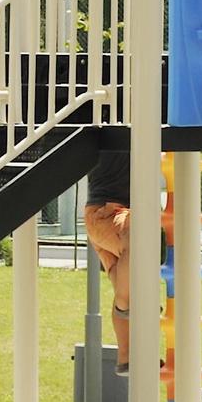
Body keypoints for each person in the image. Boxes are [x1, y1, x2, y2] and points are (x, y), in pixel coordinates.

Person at [82, 139, 132, 371]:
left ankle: (126, 356)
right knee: (138, 238)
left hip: (108, 217)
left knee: (125, 280)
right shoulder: (113, 126)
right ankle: (126, 305)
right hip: (107, 214)